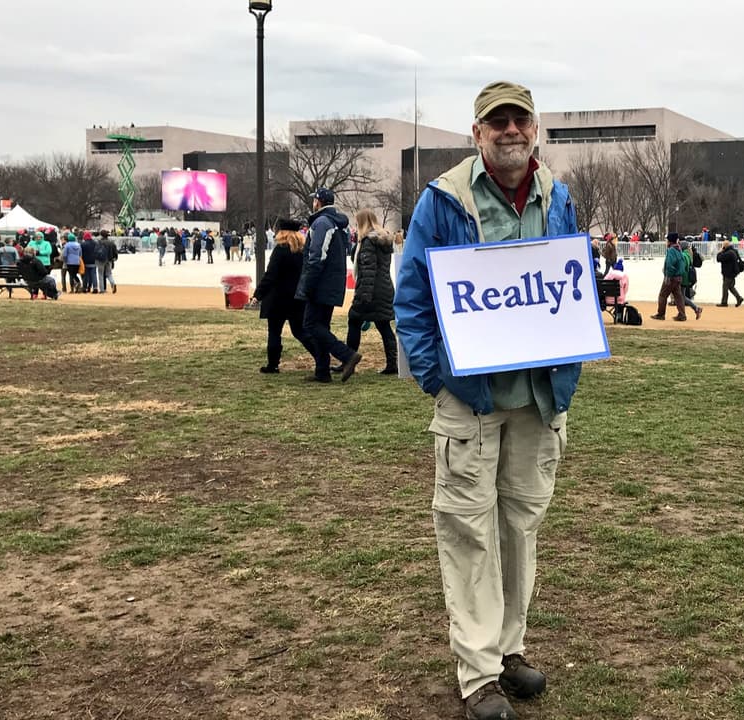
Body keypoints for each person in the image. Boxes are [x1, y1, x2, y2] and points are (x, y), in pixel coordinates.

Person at [394, 80, 579, 720]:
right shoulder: (443, 200)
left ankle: (508, 648)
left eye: (518, 120)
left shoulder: (558, 197)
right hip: (469, 399)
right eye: (495, 122)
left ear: (535, 128)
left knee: (519, 528)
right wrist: (434, 375)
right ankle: (478, 673)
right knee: (468, 531)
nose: (509, 131)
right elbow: (413, 300)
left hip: (536, 397)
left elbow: (570, 282)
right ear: (477, 134)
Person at [295, 187, 360, 383]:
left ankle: (347, 355)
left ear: (319, 202)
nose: (313, 203)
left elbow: (317, 257)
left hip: (320, 282)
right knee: (321, 325)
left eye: (314, 199)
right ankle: (322, 372)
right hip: (334, 282)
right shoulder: (339, 224)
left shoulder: (321, 223)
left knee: (311, 324)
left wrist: (307, 285)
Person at [254, 219, 312, 373]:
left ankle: (273, 364)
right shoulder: (303, 251)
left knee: (274, 332)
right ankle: (320, 355)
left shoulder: (280, 250)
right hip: (297, 298)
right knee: (300, 331)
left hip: (277, 298)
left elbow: (270, 275)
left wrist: (258, 294)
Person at [345, 208, 398, 376]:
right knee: (384, 326)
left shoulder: (368, 242)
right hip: (385, 288)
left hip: (371, 290)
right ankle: (392, 364)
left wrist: (363, 296)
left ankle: (349, 360)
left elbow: (368, 270)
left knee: (353, 320)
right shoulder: (383, 241)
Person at [651, 233, 688, 321]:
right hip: (679, 276)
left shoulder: (671, 250)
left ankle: (661, 314)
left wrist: (668, 276)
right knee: (678, 296)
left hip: (671, 277)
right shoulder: (679, 249)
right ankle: (682, 315)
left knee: (662, 295)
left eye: (667, 240)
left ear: (670, 241)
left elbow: (670, 264)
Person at [715, 239, 744, 307]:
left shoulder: (728, 253)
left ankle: (724, 302)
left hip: (729, 272)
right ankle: (739, 298)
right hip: (733, 271)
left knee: (725, 287)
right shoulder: (734, 251)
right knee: (731, 287)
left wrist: (720, 251)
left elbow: (718, 258)